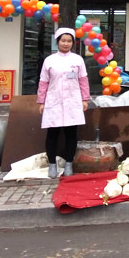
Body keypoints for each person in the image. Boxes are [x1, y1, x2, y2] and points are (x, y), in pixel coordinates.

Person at [37, 27, 90, 179]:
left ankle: (68, 164)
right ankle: (52, 165)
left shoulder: (78, 60)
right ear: (57, 41)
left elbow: (83, 81)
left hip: (73, 100)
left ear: (73, 43)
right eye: (63, 40)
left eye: (69, 41)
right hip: (54, 100)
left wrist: (84, 99)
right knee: (52, 133)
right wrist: (41, 101)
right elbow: (43, 82)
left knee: (71, 134)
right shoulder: (49, 60)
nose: (66, 44)